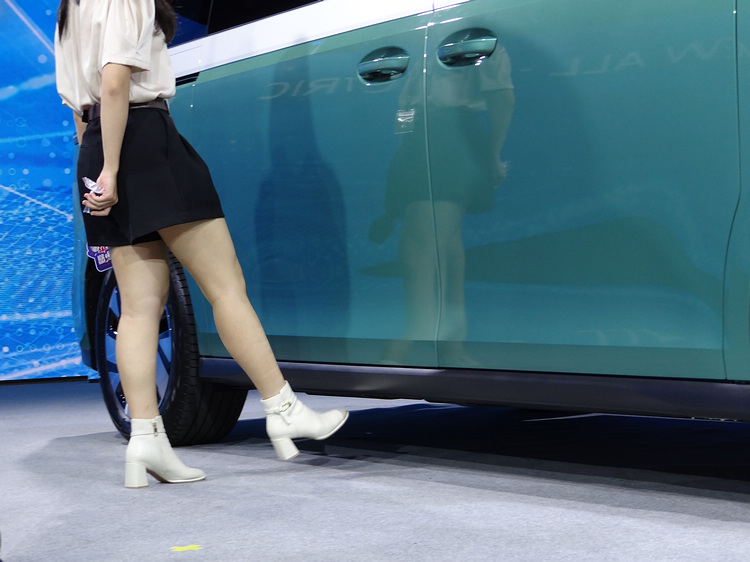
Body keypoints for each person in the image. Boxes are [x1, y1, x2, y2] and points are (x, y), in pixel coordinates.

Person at [54, 0, 348, 489]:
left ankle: (146, 439)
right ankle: (283, 408)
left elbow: (81, 107)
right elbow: (115, 82)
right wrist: (114, 169)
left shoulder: (70, 9)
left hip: (99, 143)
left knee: (138, 309)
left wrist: (99, 165)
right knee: (225, 287)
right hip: (143, 140)